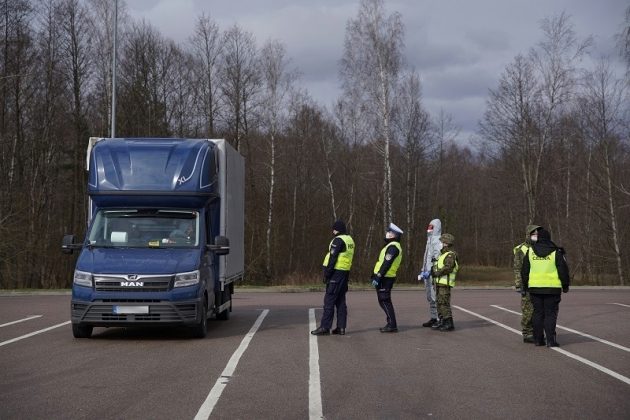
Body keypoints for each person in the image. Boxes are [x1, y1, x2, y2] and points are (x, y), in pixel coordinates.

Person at [521, 228, 570, 347]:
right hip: (552, 288)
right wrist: (565, 285)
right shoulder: (555, 252)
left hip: (535, 288)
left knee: (537, 313)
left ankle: (538, 340)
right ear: (548, 238)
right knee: (550, 314)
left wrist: (525, 285)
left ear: (538, 238)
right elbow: (563, 270)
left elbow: (525, 270)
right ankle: (550, 340)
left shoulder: (530, 251)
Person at [311, 220, 355, 336]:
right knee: (341, 301)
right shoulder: (350, 240)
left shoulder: (338, 240)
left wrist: (327, 274)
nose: (332, 231)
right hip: (344, 273)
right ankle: (341, 327)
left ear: (337, 229)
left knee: (329, 301)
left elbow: (333, 258)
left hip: (335, 273)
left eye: (334, 229)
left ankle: (325, 327)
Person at [371, 223, 403, 333]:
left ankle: (392, 324)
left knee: (384, 300)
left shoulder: (393, 247)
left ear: (395, 235)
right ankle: (391, 323)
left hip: (385, 277)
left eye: (390, 232)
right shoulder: (390, 246)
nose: (387, 233)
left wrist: (378, 276)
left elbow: (386, 263)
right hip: (384, 277)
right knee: (383, 300)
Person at [513, 224, 542, 343]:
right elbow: (517, 268)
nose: (536, 236)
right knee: (528, 310)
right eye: (534, 234)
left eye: (537, 234)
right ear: (528, 235)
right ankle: (527, 333)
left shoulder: (541, 247)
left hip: (540, 284)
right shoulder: (522, 249)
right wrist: (519, 284)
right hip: (527, 284)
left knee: (538, 310)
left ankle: (537, 331)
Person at [431, 233, 459, 332]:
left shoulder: (450, 254)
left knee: (444, 303)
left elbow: (448, 268)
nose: (440, 243)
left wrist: (436, 273)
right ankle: (443, 320)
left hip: (444, 284)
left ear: (446, 243)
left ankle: (449, 323)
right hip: (439, 283)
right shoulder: (443, 254)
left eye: (442, 242)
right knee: (439, 302)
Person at [418, 218, 442, 327]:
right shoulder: (429, 241)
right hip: (427, 273)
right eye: (428, 227)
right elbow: (426, 258)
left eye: (431, 227)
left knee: (435, 296)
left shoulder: (437, 241)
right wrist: (423, 270)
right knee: (430, 297)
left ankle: (439, 319)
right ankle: (433, 317)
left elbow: (437, 258)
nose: (429, 229)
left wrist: (431, 271)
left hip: (433, 274)